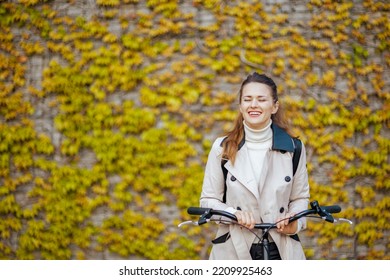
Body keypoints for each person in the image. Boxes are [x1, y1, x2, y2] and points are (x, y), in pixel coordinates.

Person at [199, 72, 310, 260]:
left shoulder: (293, 148)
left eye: (261, 99)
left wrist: (295, 222)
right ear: (241, 106)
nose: (253, 105)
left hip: (281, 250)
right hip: (233, 250)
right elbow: (208, 201)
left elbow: (300, 198)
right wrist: (233, 214)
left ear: (274, 106)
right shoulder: (222, 148)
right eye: (247, 99)